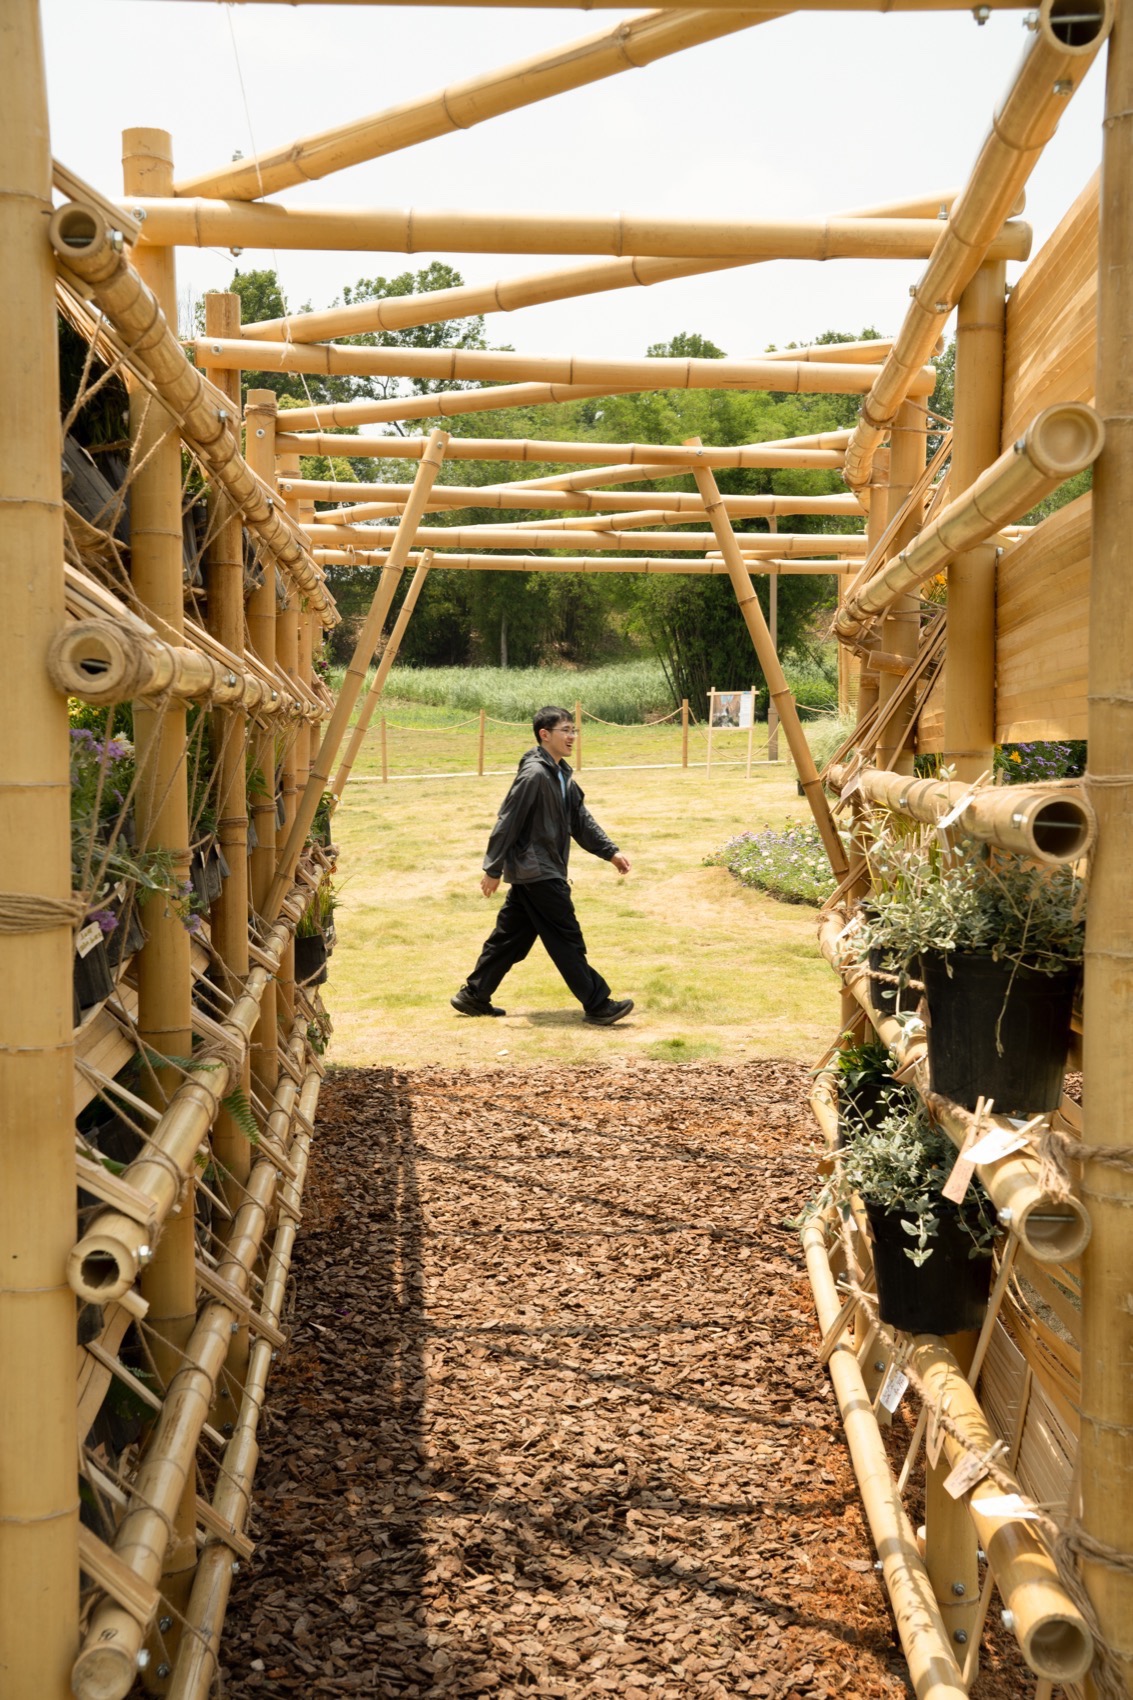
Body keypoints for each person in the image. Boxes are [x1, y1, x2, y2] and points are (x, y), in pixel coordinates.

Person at [451, 705, 634, 1026]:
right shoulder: (535, 774)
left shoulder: (562, 775)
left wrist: (610, 852)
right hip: (538, 871)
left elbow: (581, 821)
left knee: (510, 938)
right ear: (544, 735)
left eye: (574, 730)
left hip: (536, 871)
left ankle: (474, 995)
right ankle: (597, 1003)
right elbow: (508, 819)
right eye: (566, 730)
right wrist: (492, 869)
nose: (572, 736)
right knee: (566, 937)